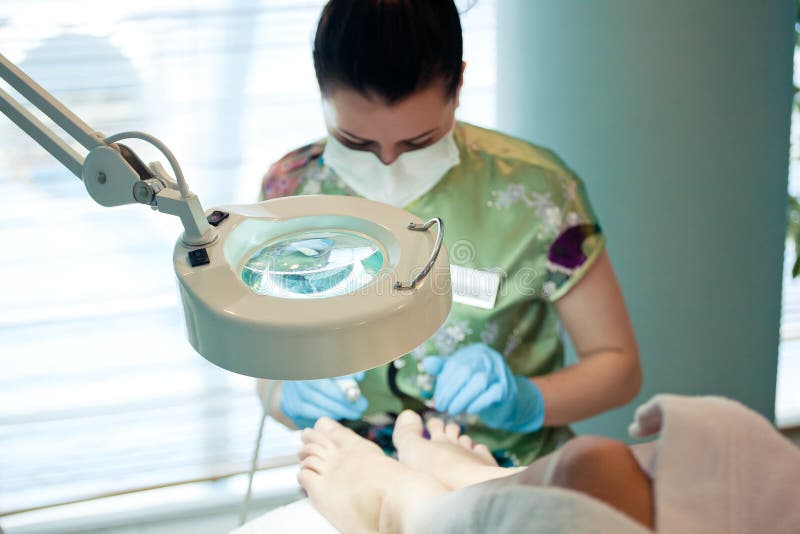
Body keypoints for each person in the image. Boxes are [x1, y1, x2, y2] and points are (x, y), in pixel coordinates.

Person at [258, 0, 640, 466]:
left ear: (458, 84)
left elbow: (618, 367)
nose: (389, 164)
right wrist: (284, 397)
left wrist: (524, 400)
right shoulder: (292, 191)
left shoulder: (538, 194)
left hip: (501, 474)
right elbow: (268, 369)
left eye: (418, 142)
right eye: (356, 143)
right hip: (356, 476)